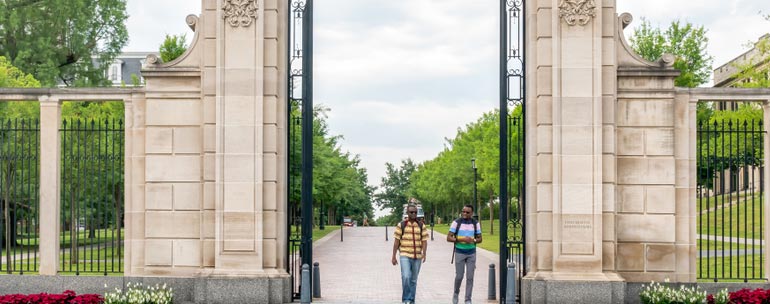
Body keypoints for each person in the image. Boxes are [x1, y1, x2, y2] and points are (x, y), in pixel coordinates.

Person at [391, 204, 429, 304]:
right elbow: (396, 241)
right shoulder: (402, 225)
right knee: (406, 276)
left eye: (415, 212)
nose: (414, 214)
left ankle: (411, 300)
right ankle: (406, 299)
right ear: (407, 213)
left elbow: (424, 240)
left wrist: (424, 254)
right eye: (411, 212)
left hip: (417, 256)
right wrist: (394, 256)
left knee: (413, 280)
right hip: (405, 255)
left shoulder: (421, 225)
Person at [447, 205, 482, 304]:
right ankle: (456, 293)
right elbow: (449, 237)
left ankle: (468, 299)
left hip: (471, 253)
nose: (465, 214)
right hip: (459, 252)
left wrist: (473, 240)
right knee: (459, 276)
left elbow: (480, 239)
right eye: (463, 211)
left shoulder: (475, 223)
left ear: (472, 213)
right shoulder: (456, 223)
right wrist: (461, 239)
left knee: (470, 277)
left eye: (467, 212)